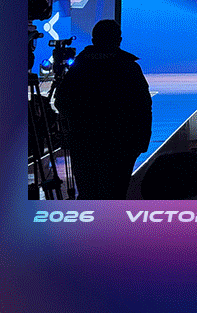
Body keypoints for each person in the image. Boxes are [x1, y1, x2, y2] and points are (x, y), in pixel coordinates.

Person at [54, 19, 152, 199]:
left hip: (85, 143)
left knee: (88, 194)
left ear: (94, 40)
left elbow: (61, 101)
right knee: (114, 195)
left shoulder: (79, 67)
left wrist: (78, 123)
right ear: (118, 39)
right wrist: (142, 141)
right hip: (121, 145)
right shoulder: (129, 66)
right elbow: (143, 107)